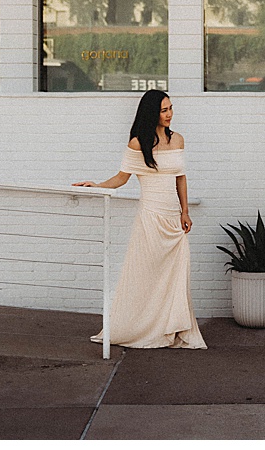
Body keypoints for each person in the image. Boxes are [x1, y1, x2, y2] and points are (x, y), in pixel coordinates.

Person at [73, 89, 206, 350]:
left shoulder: (178, 140)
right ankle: (143, 327)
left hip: (173, 220)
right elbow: (121, 178)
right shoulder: (138, 143)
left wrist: (185, 211)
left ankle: (174, 328)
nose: (170, 114)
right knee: (146, 275)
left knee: (176, 276)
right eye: (164, 110)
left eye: (170, 108)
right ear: (151, 113)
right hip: (150, 217)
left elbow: (180, 177)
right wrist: (96, 185)